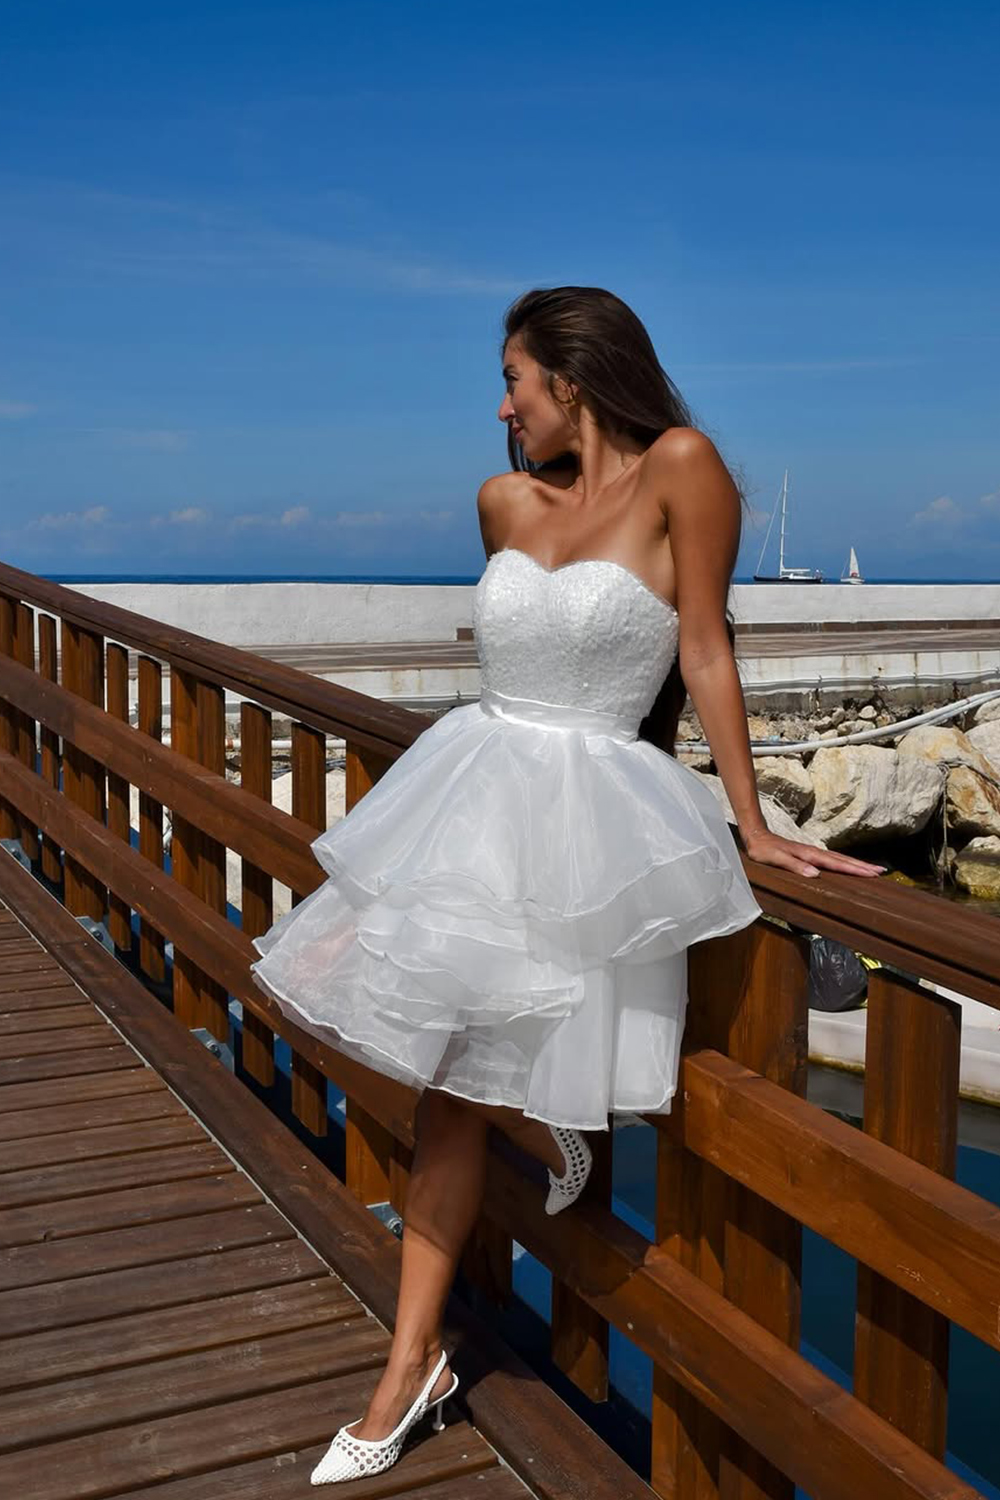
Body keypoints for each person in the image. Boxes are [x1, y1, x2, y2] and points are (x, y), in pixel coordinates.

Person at [249, 286, 885, 1486]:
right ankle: (418, 1356)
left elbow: (703, 646)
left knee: (451, 1078)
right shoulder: (502, 501)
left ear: (574, 380)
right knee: (426, 1063)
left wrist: (751, 823)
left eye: (513, 378)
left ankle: (479, 1247)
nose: (501, 406)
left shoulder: (683, 469)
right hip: (479, 799)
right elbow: (515, 648)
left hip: (598, 818)